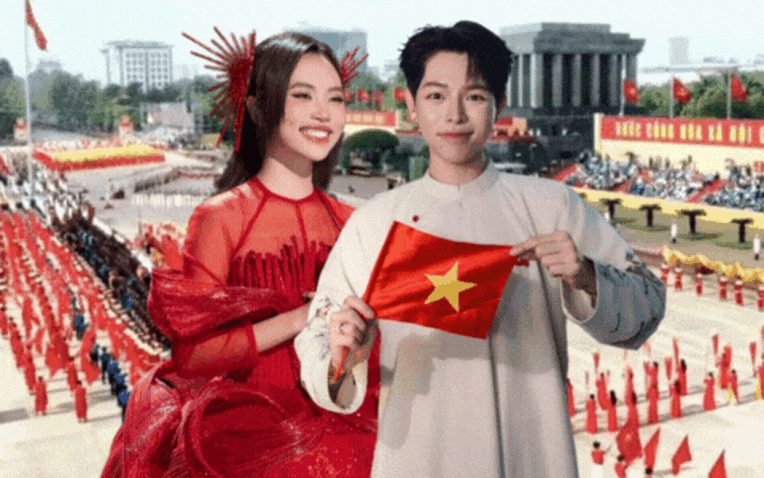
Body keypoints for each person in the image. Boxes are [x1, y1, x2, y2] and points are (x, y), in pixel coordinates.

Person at [295, 21, 666, 477]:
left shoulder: (552, 206)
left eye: (473, 96)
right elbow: (316, 343)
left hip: (530, 458)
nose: (454, 115)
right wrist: (341, 355)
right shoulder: (373, 223)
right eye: (435, 96)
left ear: (499, 105)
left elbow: (647, 309)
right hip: (416, 458)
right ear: (411, 104)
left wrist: (586, 275)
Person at [101, 32, 376, 477]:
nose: (323, 112)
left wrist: (356, 349)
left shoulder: (352, 222)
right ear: (257, 108)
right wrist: (300, 317)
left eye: (335, 98)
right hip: (245, 430)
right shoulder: (222, 218)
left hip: (342, 413)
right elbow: (194, 356)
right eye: (302, 95)